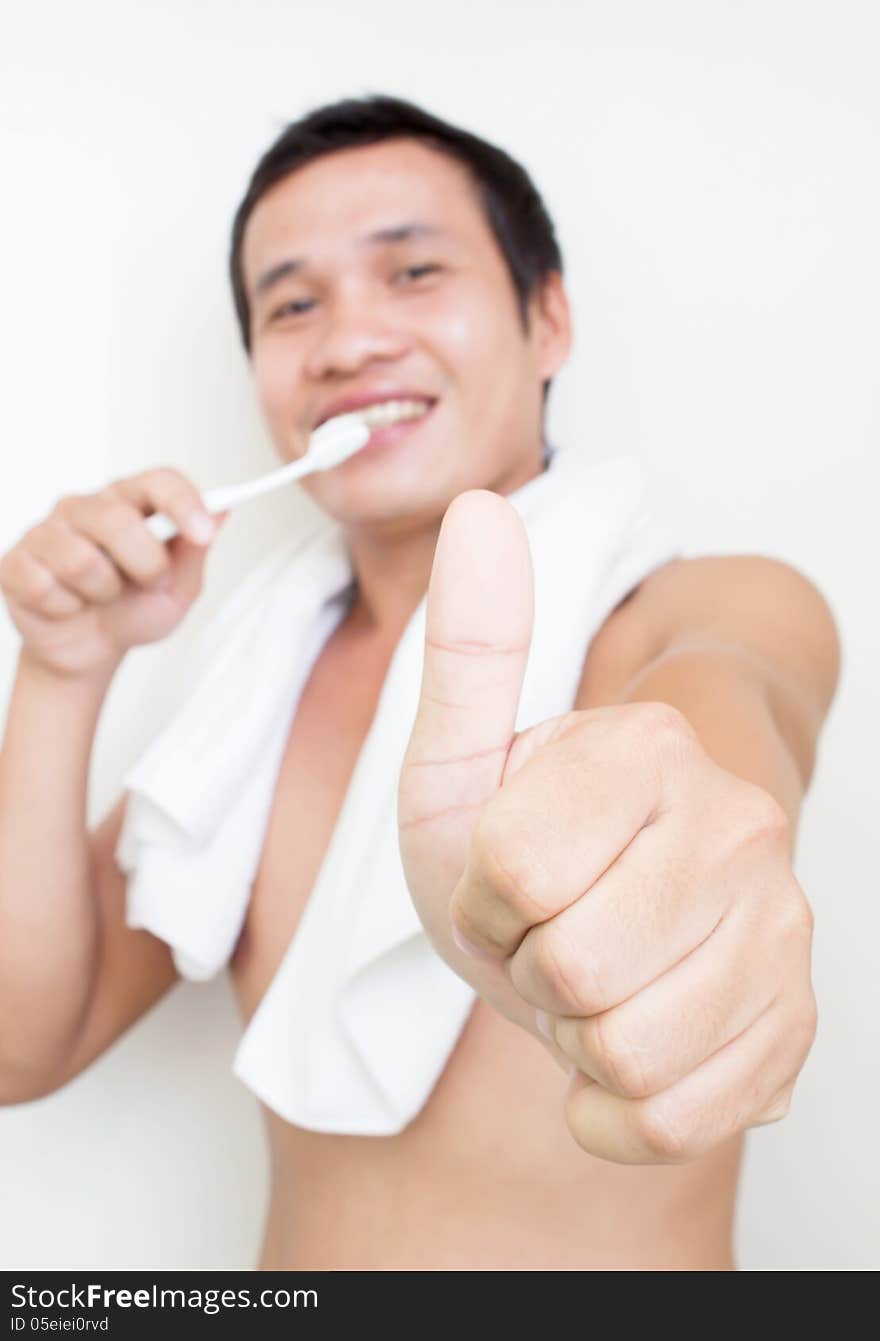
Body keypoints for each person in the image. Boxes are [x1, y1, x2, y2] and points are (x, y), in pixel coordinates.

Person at [0, 96, 840, 1270]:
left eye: (411, 271)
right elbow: (21, 1044)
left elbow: (728, 715)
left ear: (547, 321)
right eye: (292, 304)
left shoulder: (709, 608)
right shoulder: (248, 699)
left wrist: (691, 877)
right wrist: (60, 670)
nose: (346, 340)